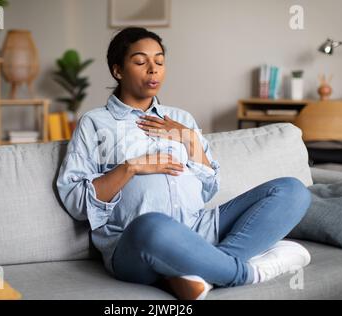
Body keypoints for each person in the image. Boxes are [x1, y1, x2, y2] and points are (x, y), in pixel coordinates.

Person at [56, 27, 312, 300]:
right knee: (152, 225)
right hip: (136, 241)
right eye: (141, 62)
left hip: (200, 227)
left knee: (293, 191)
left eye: (160, 61)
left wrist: (190, 140)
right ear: (117, 70)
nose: (153, 70)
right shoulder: (95, 122)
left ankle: (202, 270)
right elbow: (75, 201)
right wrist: (130, 167)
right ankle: (247, 273)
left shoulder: (181, 119)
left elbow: (208, 189)